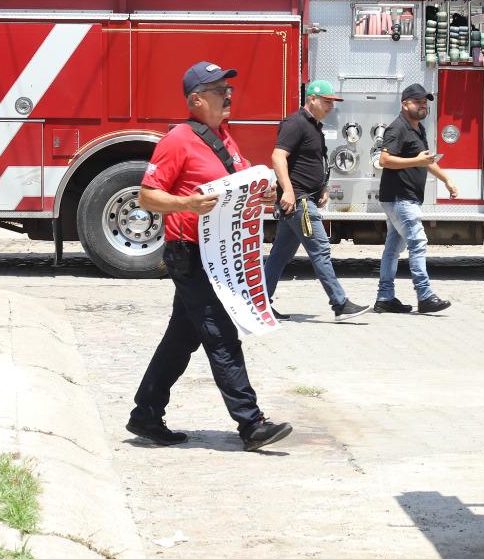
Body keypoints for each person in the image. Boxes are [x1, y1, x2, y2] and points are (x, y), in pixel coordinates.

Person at [126, 60, 293, 451]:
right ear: (196, 99)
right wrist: (186, 203)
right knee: (220, 336)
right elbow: (147, 196)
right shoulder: (178, 140)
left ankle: (146, 414)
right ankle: (251, 424)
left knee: (181, 339)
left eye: (228, 89)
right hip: (191, 254)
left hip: (218, 254)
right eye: (219, 91)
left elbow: (236, 188)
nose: (228, 96)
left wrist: (262, 195)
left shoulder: (224, 137)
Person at [265, 80, 369, 322]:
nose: (331, 106)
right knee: (321, 250)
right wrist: (288, 191)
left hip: (303, 199)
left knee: (280, 255)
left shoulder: (314, 127)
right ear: (312, 99)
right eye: (327, 101)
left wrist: (322, 187)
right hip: (299, 202)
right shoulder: (295, 123)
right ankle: (340, 304)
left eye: (333, 102)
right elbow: (278, 156)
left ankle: (259, 304)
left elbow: (313, 162)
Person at [374, 82, 457, 314]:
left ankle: (385, 297)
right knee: (418, 243)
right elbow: (384, 160)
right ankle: (425, 295)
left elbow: (426, 160)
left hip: (403, 198)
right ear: (404, 104)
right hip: (400, 197)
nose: (423, 106)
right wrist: (416, 161)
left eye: (425, 103)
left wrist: (446, 180)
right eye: (418, 102)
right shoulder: (397, 128)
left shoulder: (418, 128)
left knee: (393, 249)